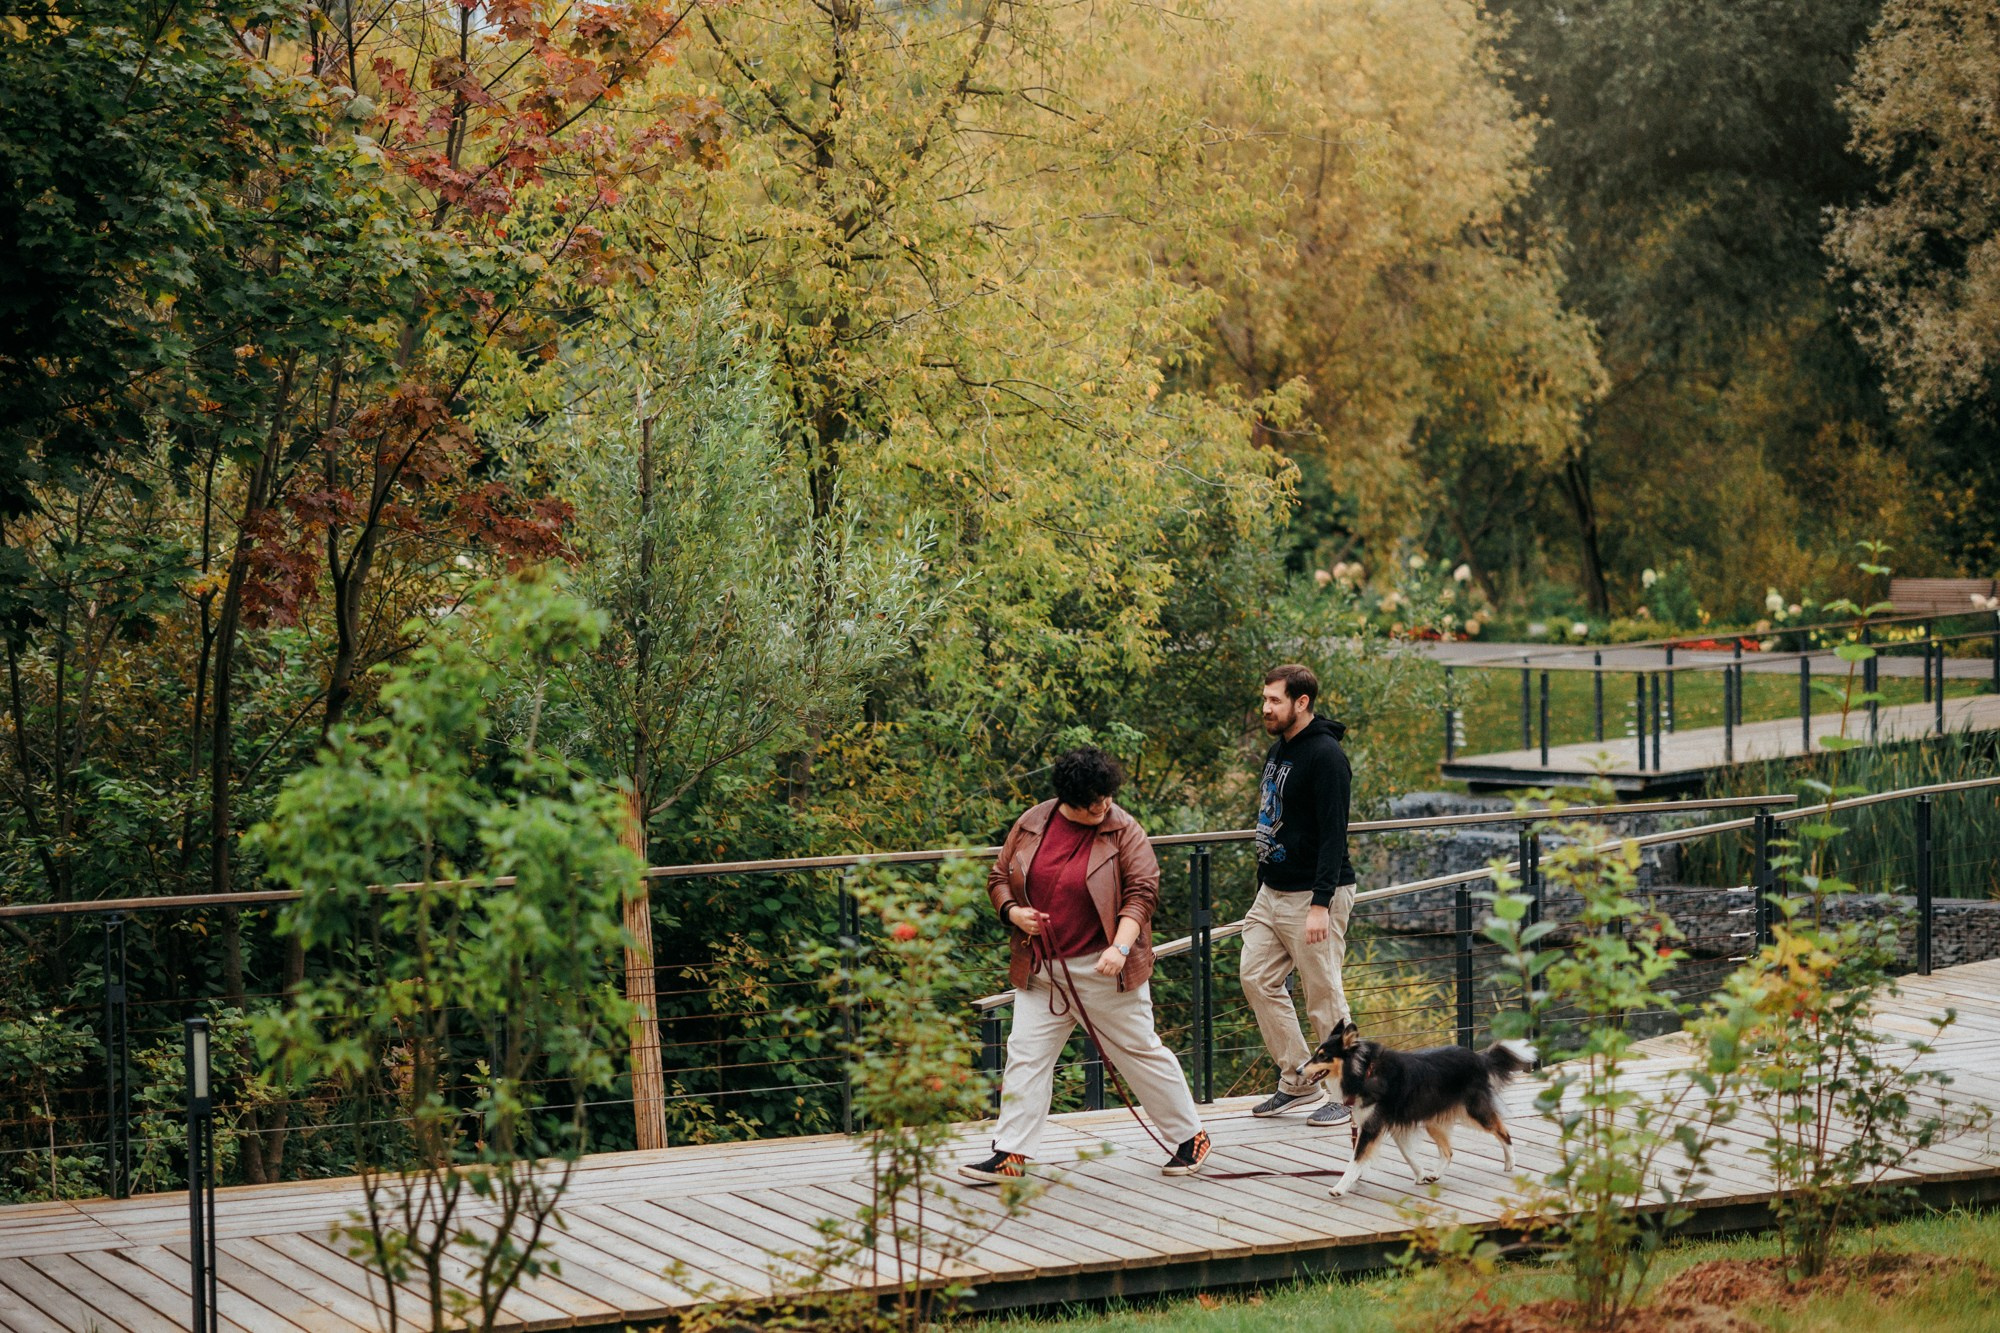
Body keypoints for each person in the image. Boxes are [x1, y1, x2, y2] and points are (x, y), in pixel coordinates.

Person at [959, 746, 1211, 1184]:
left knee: (1139, 1053)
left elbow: (1143, 893)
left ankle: (1191, 1137)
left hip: (1103, 970)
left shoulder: (1123, 830)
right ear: (1069, 801)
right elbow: (999, 877)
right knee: (1025, 1056)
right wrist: (1013, 914)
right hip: (1041, 970)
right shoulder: (1033, 822)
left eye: (1108, 797)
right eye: (1095, 802)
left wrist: (1121, 946)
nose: (1105, 807)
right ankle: (1010, 1154)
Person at [1241, 662, 1358, 1129]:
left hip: (1313, 894)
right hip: (1272, 893)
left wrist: (1320, 904)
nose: (1265, 707)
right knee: (1256, 978)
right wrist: (1263, 886)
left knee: (1323, 994)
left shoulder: (1326, 757)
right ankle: (1297, 1077)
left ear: (1301, 702)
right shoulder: (1280, 748)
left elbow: (1334, 836)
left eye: (1274, 700)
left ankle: (1347, 1090)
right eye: (1265, 698)